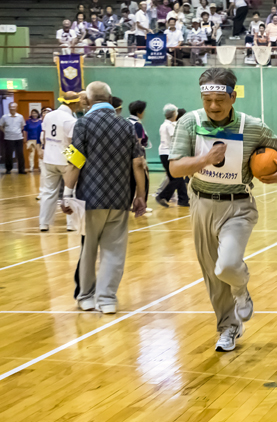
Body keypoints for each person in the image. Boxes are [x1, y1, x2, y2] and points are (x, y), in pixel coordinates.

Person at [167, 68, 277, 351]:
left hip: (238, 206)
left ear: (233, 97)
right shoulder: (189, 122)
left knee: (227, 265)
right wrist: (206, 159)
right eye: (207, 99)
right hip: (201, 204)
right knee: (213, 276)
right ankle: (228, 328)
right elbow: (175, 168)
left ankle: (241, 288)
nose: (213, 106)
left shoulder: (252, 125)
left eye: (219, 100)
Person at [59, 81, 147, 314]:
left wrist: (66, 194)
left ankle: (86, 296)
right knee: (114, 251)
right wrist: (141, 196)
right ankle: (107, 299)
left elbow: (75, 161)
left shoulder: (83, 124)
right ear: (110, 99)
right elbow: (138, 163)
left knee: (88, 250)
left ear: (89, 99)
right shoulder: (127, 126)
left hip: (89, 199)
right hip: (119, 199)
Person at [39, 92, 84, 232]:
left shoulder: (49, 116)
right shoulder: (70, 120)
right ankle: (71, 224)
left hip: (49, 158)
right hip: (64, 159)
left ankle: (43, 223)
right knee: (70, 191)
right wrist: (78, 162)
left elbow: (45, 137)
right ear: (73, 103)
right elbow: (71, 145)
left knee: (48, 192)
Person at [155, 103, 189, 208]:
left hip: (164, 153)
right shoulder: (169, 126)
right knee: (177, 177)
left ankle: (183, 200)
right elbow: (176, 139)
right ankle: (162, 196)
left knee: (177, 177)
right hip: (169, 154)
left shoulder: (163, 125)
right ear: (174, 113)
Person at [2, 102, 26, 174]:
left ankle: (21, 169)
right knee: (8, 154)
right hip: (8, 138)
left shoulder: (20, 117)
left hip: (19, 138)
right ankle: (8, 169)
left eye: (14, 107)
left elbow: (22, 126)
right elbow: (1, 126)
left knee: (20, 154)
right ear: (9, 108)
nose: (13, 108)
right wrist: (6, 132)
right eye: (11, 107)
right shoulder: (4, 117)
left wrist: (23, 136)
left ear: (16, 108)